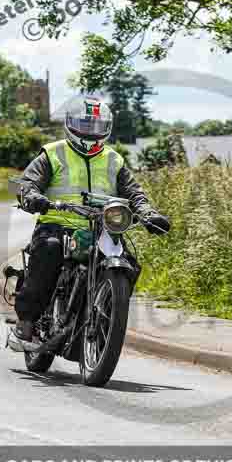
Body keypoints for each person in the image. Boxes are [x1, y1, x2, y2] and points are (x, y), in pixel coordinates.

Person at [13, 95, 171, 342]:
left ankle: (107, 318)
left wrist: (148, 214)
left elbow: (134, 192)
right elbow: (29, 182)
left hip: (101, 228)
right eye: (85, 125)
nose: (90, 131)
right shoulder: (53, 153)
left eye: (96, 126)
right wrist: (32, 196)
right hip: (58, 224)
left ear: (106, 128)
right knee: (48, 251)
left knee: (129, 263)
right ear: (70, 124)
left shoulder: (113, 159)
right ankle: (27, 319)